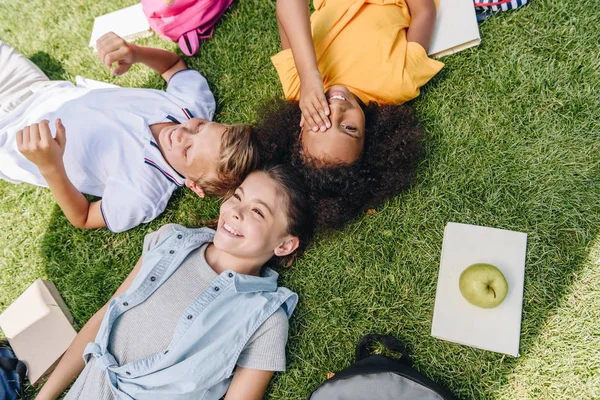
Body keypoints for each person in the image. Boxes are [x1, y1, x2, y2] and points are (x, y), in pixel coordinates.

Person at [35, 165, 315, 400]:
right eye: (238, 196)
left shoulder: (266, 319)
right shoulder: (168, 241)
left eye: (258, 212)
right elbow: (103, 319)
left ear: (285, 244)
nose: (235, 211)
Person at [0, 32, 258, 233]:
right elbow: (174, 67)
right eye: (200, 127)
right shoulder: (192, 106)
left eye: (188, 151)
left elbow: (85, 216)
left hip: (11, 143)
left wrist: (50, 166)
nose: (182, 133)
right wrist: (135, 53)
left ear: (193, 185)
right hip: (40, 89)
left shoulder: (142, 192)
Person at [252, 0, 444, 230]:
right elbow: (424, 11)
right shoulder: (396, 83)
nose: (337, 110)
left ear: (300, 124)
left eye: (320, 121)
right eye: (349, 128)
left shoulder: (298, 86)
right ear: (369, 137)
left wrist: (309, 74)